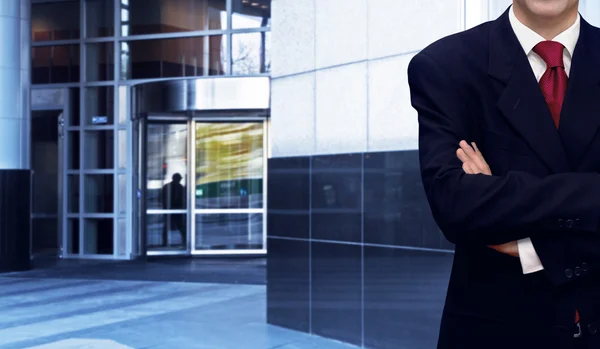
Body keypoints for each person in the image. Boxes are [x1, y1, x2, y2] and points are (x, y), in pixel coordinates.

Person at [407, 1, 600, 348]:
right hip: (496, 330)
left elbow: (478, 201)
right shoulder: (446, 66)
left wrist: (532, 247)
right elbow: (456, 204)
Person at [162, 173, 187, 247]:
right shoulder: (179, 187)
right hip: (174, 209)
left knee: (169, 226)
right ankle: (184, 240)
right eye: (179, 178)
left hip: (174, 210)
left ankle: (165, 242)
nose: (179, 180)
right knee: (179, 226)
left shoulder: (168, 186)